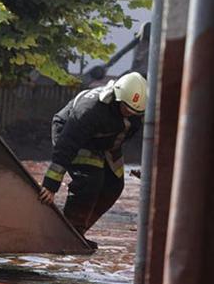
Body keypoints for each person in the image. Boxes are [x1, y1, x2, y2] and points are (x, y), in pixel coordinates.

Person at [38, 72, 147, 249]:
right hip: (71, 135)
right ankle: (67, 236)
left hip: (105, 144)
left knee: (114, 186)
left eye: (136, 112)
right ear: (117, 97)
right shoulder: (90, 110)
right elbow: (67, 145)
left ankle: (75, 233)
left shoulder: (137, 112)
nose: (130, 113)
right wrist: (50, 185)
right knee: (89, 181)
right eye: (127, 108)